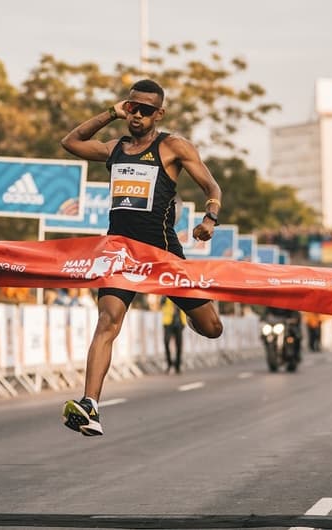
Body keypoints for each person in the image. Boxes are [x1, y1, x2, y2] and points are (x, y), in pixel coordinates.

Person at [60, 78, 224, 436]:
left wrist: (209, 218)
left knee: (212, 328)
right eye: (132, 107)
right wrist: (109, 113)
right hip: (121, 252)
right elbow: (70, 142)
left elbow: (212, 187)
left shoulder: (172, 147)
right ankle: (90, 406)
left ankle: (189, 314)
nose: (136, 115)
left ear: (159, 114)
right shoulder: (115, 148)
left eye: (145, 110)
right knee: (107, 322)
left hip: (162, 253)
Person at [161, 296, 186, 373]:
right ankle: (169, 363)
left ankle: (177, 365)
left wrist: (184, 323)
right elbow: (161, 302)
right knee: (166, 342)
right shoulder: (166, 293)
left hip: (179, 322)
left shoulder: (182, 294)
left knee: (179, 344)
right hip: (168, 322)